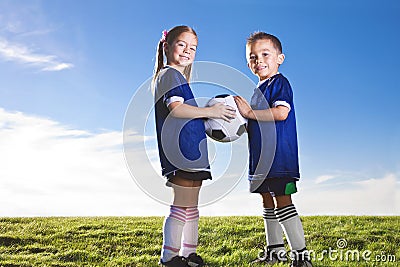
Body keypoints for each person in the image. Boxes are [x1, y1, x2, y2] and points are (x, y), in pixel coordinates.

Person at [153, 25, 236, 267]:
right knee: (181, 204)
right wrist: (212, 111)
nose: (188, 51)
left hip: (192, 153)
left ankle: (189, 255)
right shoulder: (169, 75)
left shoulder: (179, 77)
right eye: (182, 44)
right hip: (180, 152)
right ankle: (169, 258)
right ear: (167, 46)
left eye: (193, 48)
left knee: (192, 206)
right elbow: (177, 109)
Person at [234, 32, 312, 267]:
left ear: (280, 58)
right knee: (267, 200)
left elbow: (281, 113)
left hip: (279, 158)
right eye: (253, 57)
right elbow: (257, 123)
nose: (259, 60)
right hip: (260, 160)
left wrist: (249, 113)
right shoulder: (257, 92)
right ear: (249, 63)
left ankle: (301, 257)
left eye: (265, 54)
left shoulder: (280, 82)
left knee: (282, 199)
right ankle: (275, 251)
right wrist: (238, 125)